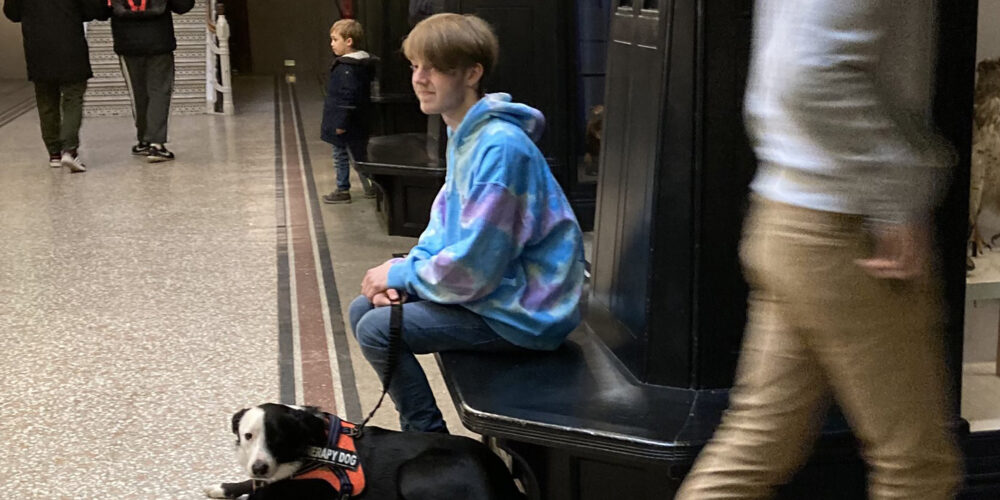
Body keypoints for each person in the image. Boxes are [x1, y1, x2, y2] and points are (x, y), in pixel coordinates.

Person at [674, 2, 962, 499]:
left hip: (791, 214)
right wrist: (895, 198)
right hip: (845, 229)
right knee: (917, 468)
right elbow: (809, 74)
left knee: (758, 444)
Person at [349, 13, 586, 433]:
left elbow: (476, 267)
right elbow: (442, 227)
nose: (419, 78)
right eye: (414, 66)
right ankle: (425, 438)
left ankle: (428, 441)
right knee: (362, 307)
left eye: (435, 67)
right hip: (498, 291)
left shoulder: (499, 148)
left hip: (528, 311)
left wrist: (404, 273)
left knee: (377, 331)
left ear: (472, 73)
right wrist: (404, 274)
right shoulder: (467, 134)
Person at [3, 0, 107, 173]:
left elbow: (12, 13)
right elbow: (93, 9)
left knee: (46, 101)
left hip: (38, 48)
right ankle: (70, 149)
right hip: (70, 44)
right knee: (73, 97)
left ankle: (54, 154)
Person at [106, 0, 195, 162]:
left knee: (137, 93)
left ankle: (144, 140)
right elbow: (183, 6)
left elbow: (99, 10)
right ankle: (156, 143)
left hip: (127, 42)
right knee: (159, 91)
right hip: (159, 40)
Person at [320, 18, 376, 205]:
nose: (331, 44)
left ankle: (343, 188)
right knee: (359, 154)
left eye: (335, 39)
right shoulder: (361, 65)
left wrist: (340, 124)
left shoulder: (346, 68)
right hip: (359, 121)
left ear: (349, 41)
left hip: (345, 123)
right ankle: (370, 187)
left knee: (341, 155)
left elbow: (346, 98)